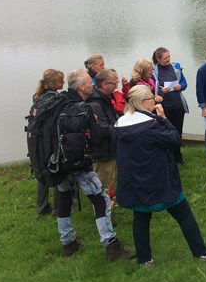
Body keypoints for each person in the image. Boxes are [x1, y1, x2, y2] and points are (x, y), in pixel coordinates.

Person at [113, 85, 206, 266]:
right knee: (183, 213)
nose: (155, 99)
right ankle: (202, 253)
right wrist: (163, 118)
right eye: (151, 98)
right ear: (141, 103)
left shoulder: (119, 125)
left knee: (141, 218)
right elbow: (174, 139)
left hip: (135, 181)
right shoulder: (151, 125)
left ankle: (144, 260)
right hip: (159, 180)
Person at [55, 68, 135, 261]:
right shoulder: (84, 108)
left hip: (58, 162)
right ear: (82, 87)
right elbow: (97, 137)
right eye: (89, 83)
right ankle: (111, 245)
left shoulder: (59, 103)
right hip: (79, 164)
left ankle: (68, 243)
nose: (92, 84)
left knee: (64, 201)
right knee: (101, 200)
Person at [31, 68, 64, 215]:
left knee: (41, 171)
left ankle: (41, 206)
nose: (63, 83)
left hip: (36, 141)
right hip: (50, 140)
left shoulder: (38, 98)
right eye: (61, 81)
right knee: (56, 172)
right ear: (54, 84)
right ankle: (58, 209)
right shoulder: (56, 99)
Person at [86, 68, 119, 201]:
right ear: (105, 85)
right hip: (102, 152)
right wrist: (121, 129)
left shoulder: (104, 98)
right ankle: (103, 218)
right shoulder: (95, 103)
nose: (117, 86)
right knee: (102, 186)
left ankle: (107, 208)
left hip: (109, 149)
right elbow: (102, 128)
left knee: (109, 181)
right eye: (114, 83)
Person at [152, 47, 189, 164]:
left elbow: (184, 82)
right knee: (165, 133)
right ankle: (168, 157)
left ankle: (178, 157)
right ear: (158, 59)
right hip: (163, 108)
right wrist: (162, 90)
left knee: (178, 132)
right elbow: (152, 88)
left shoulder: (176, 68)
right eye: (165, 58)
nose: (168, 59)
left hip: (178, 105)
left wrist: (180, 86)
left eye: (169, 57)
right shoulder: (153, 72)